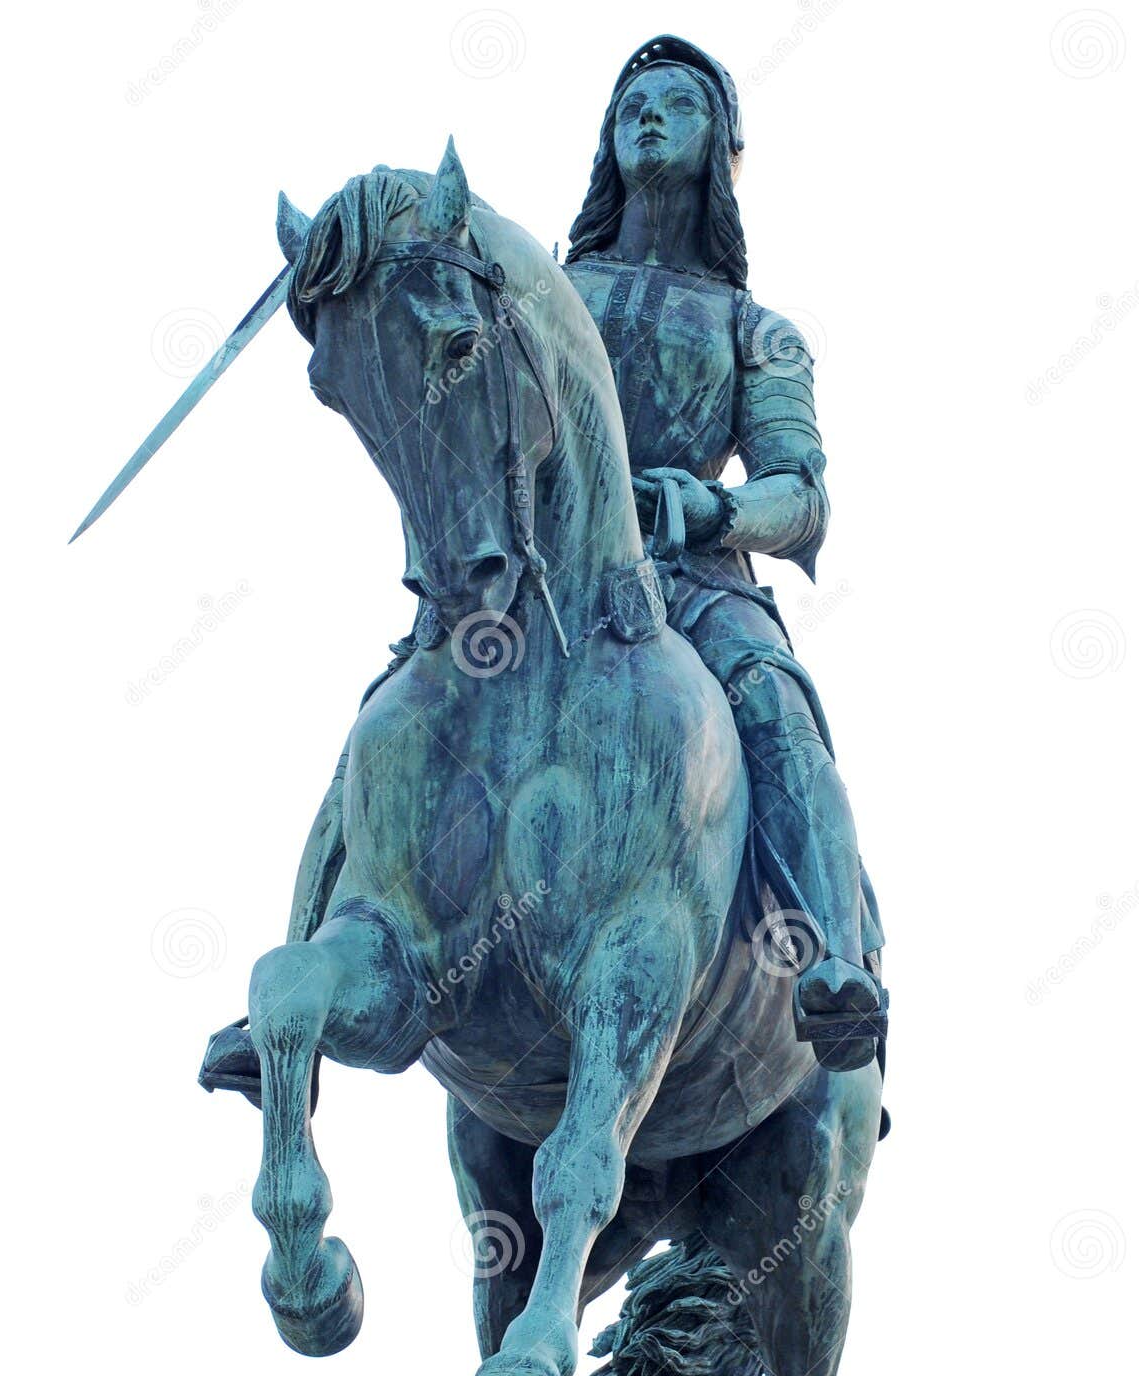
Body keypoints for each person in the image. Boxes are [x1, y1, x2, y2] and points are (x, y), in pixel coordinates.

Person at [202, 35, 884, 1094]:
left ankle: (831, 961)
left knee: (774, 707)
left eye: (675, 106)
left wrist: (707, 505)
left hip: (695, 585)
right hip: (529, 580)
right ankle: (298, 971)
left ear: (719, 150)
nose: (647, 118)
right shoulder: (544, 287)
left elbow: (801, 495)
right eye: (632, 106)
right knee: (385, 720)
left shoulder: (758, 331)